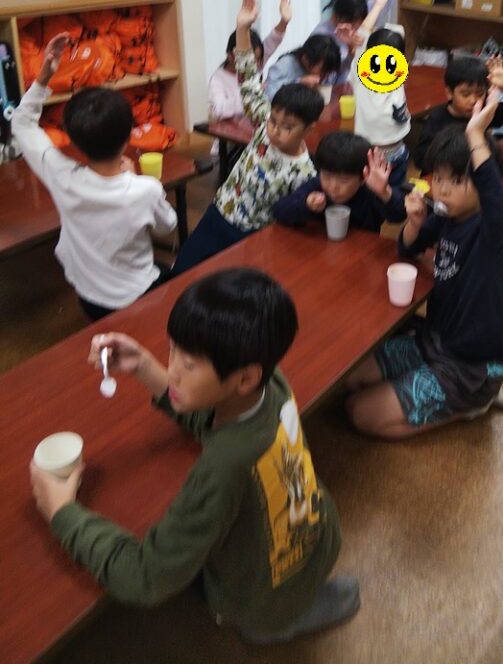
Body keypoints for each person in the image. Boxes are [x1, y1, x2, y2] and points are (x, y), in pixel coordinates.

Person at [29, 268, 359, 645]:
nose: (172, 370)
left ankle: (278, 620)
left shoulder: (222, 469)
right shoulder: (271, 383)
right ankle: (296, 598)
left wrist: (62, 512)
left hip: (260, 592)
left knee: (258, 613)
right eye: (172, 349)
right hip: (318, 529)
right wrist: (144, 366)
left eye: (189, 364)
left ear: (245, 378)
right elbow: (214, 414)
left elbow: (147, 576)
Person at [345, 88, 503, 439]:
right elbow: (407, 248)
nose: (442, 190)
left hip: (470, 367)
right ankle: (458, 397)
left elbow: (491, 187)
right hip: (432, 342)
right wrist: (413, 222)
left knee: (360, 413)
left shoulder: (496, 230)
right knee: (349, 379)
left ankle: (473, 403)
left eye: (456, 181)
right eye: (438, 178)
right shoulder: (447, 216)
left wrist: (475, 135)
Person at [12, 32, 177, 320]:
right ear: (128, 138)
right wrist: (137, 180)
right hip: (135, 295)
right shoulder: (145, 189)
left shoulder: (61, 174)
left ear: (75, 143)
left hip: (89, 297)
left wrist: (44, 77)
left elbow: (21, 123)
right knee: (172, 275)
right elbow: (168, 225)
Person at [172, 0, 324, 275]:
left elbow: (292, 215)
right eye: (274, 121)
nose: (275, 130)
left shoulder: (304, 172)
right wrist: (242, 28)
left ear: (309, 128)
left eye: (287, 127)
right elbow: (248, 77)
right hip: (220, 211)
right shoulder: (264, 124)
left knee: (228, 286)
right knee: (184, 271)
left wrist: (309, 205)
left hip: (252, 236)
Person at [311, 0, 419, 84]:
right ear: (341, 19)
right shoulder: (321, 35)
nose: (358, 28)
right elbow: (322, 76)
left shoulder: (361, 13)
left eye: (361, 23)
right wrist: (350, 49)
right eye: (355, 25)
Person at [413, 54, 503, 171]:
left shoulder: (483, 112)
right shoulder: (438, 118)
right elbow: (420, 158)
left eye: (480, 93)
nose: (473, 100)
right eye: (465, 94)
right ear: (449, 93)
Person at [274, 132, 407, 231]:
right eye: (327, 176)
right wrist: (306, 204)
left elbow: (398, 216)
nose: (333, 186)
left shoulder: (370, 192)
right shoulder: (316, 186)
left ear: (362, 178)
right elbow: (279, 210)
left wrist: (384, 193)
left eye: (344, 180)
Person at [349, 0, 411, 189]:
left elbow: (369, 35)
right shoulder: (362, 74)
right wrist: (378, 5)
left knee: (394, 200)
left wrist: (381, 4)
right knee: (375, 202)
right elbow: (363, 35)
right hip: (372, 157)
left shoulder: (398, 75)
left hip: (399, 152)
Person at [207, 0, 292, 122]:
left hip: (256, 125)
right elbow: (218, 110)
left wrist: (284, 22)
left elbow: (273, 40)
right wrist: (251, 92)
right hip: (232, 132)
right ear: (230, 55)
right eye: (250, 60)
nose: (256, 65)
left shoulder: (256, 63)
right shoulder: (218, 79)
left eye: (257, 60)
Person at [264, 34, 341, 102]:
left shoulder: (318, 72)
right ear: (305, 59)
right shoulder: (285, 64)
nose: (325, 75)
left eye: (328, 71)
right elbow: (268, 93)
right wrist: (299, 83)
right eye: (323, 70)